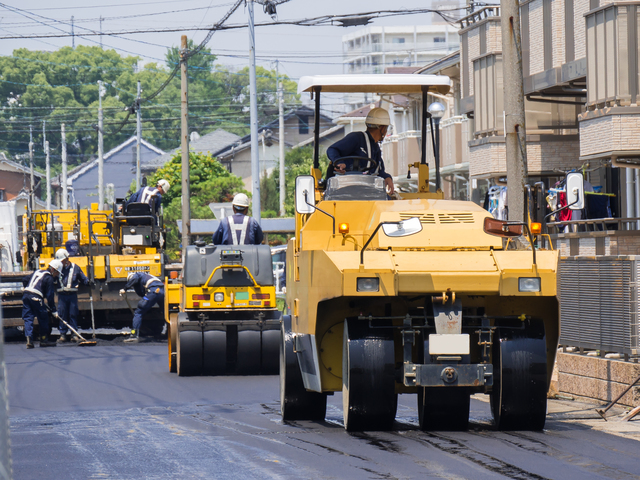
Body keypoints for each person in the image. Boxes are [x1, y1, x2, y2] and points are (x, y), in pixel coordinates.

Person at [326, 107, 395, 195]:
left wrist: (387, 177)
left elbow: (378, 171)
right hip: (344, 188)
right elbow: (332, 149)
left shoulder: (375, 148)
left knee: (386, 199)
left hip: (365, 190)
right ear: (382, 128)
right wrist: (339, 162)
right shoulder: (356, 138)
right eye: (386, 129)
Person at [22, 259, 63, 349]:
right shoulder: (49, 278)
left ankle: (29, 339)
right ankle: (44, 340)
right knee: (43, 317)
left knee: (28, 317)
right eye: (57, 273)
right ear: (53, 269)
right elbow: (50, 296)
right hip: (36, 298)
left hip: (26, 295)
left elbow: (25, 279)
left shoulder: (37, 271)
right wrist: (53, 310)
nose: (57, 275)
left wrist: (26, 288)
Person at [55, 248, 90, 344]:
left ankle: (74, 334)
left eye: (62, 260)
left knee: (72, 314)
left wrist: (88, 282)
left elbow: (83, 278)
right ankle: (63, 335)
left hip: (72, 296)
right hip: (62, 296)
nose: (61, 262)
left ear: (67, 259)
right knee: (62, 314)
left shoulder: (75, 268)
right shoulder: (57, 268)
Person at [119, 272, 165, 343]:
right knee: (166, 312)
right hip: (163, 291)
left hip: (154, 291)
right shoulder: (150, 277)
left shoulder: (137, 275)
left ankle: (134, 335)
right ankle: (170, 333)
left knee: (138, 312)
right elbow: (142, 292)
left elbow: (135, 278)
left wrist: (125, 289)